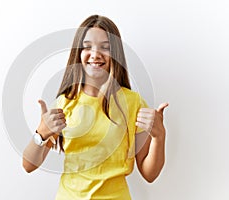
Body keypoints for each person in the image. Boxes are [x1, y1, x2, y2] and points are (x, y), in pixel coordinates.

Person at [23, 14, 169, 200]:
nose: (95, 54)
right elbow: (28, 165)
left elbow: (150, 174)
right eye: (87, 47)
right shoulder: (64, 103)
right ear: (78, 52)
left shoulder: (133, 103)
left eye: (105, 47)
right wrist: (41, 133)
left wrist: (159, 136)